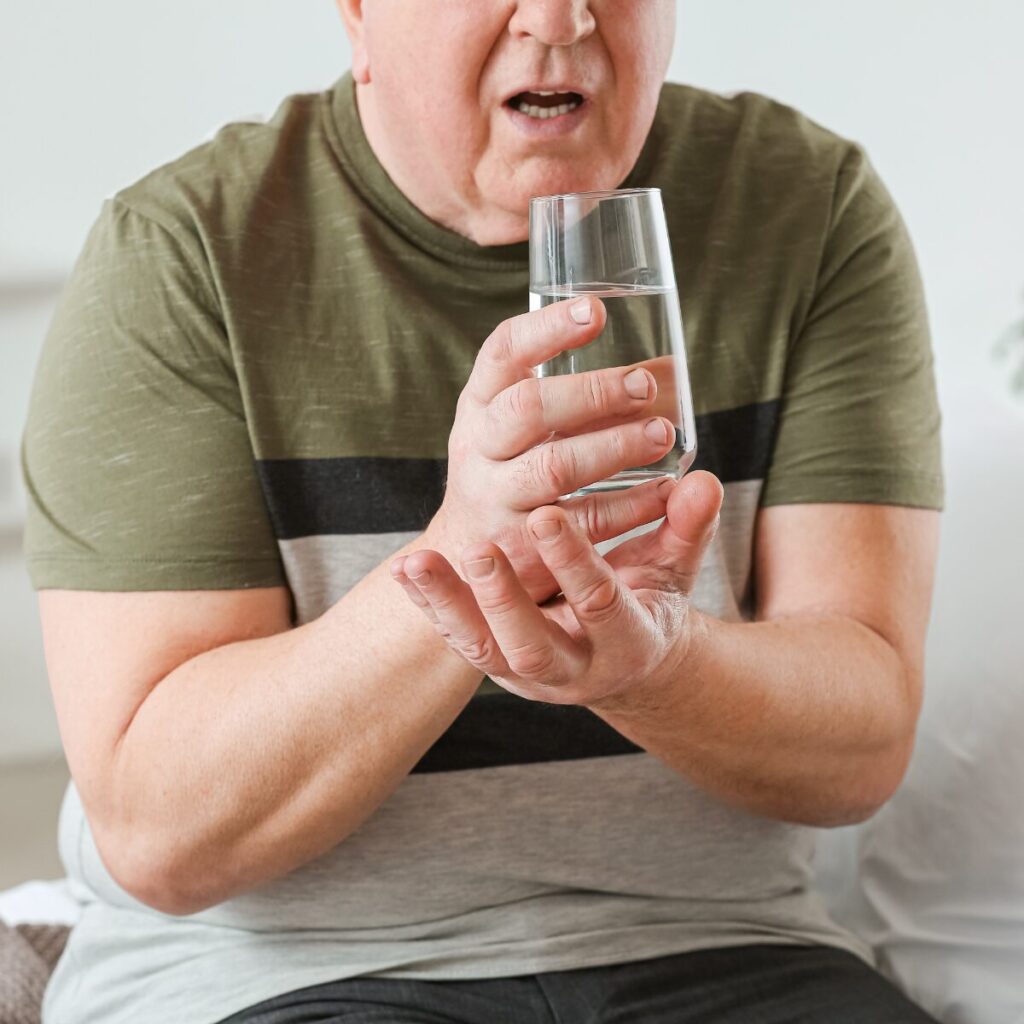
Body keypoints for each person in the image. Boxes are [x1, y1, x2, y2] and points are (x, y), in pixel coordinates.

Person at [21, 2, 944, 1022]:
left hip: (718, 944)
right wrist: (466, 557)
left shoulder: (803, 205)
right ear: (360, 17)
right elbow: (161, 836)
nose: (559, 17)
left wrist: (661, 670)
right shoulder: (183, 253)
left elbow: (859, 751)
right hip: (287, 971)